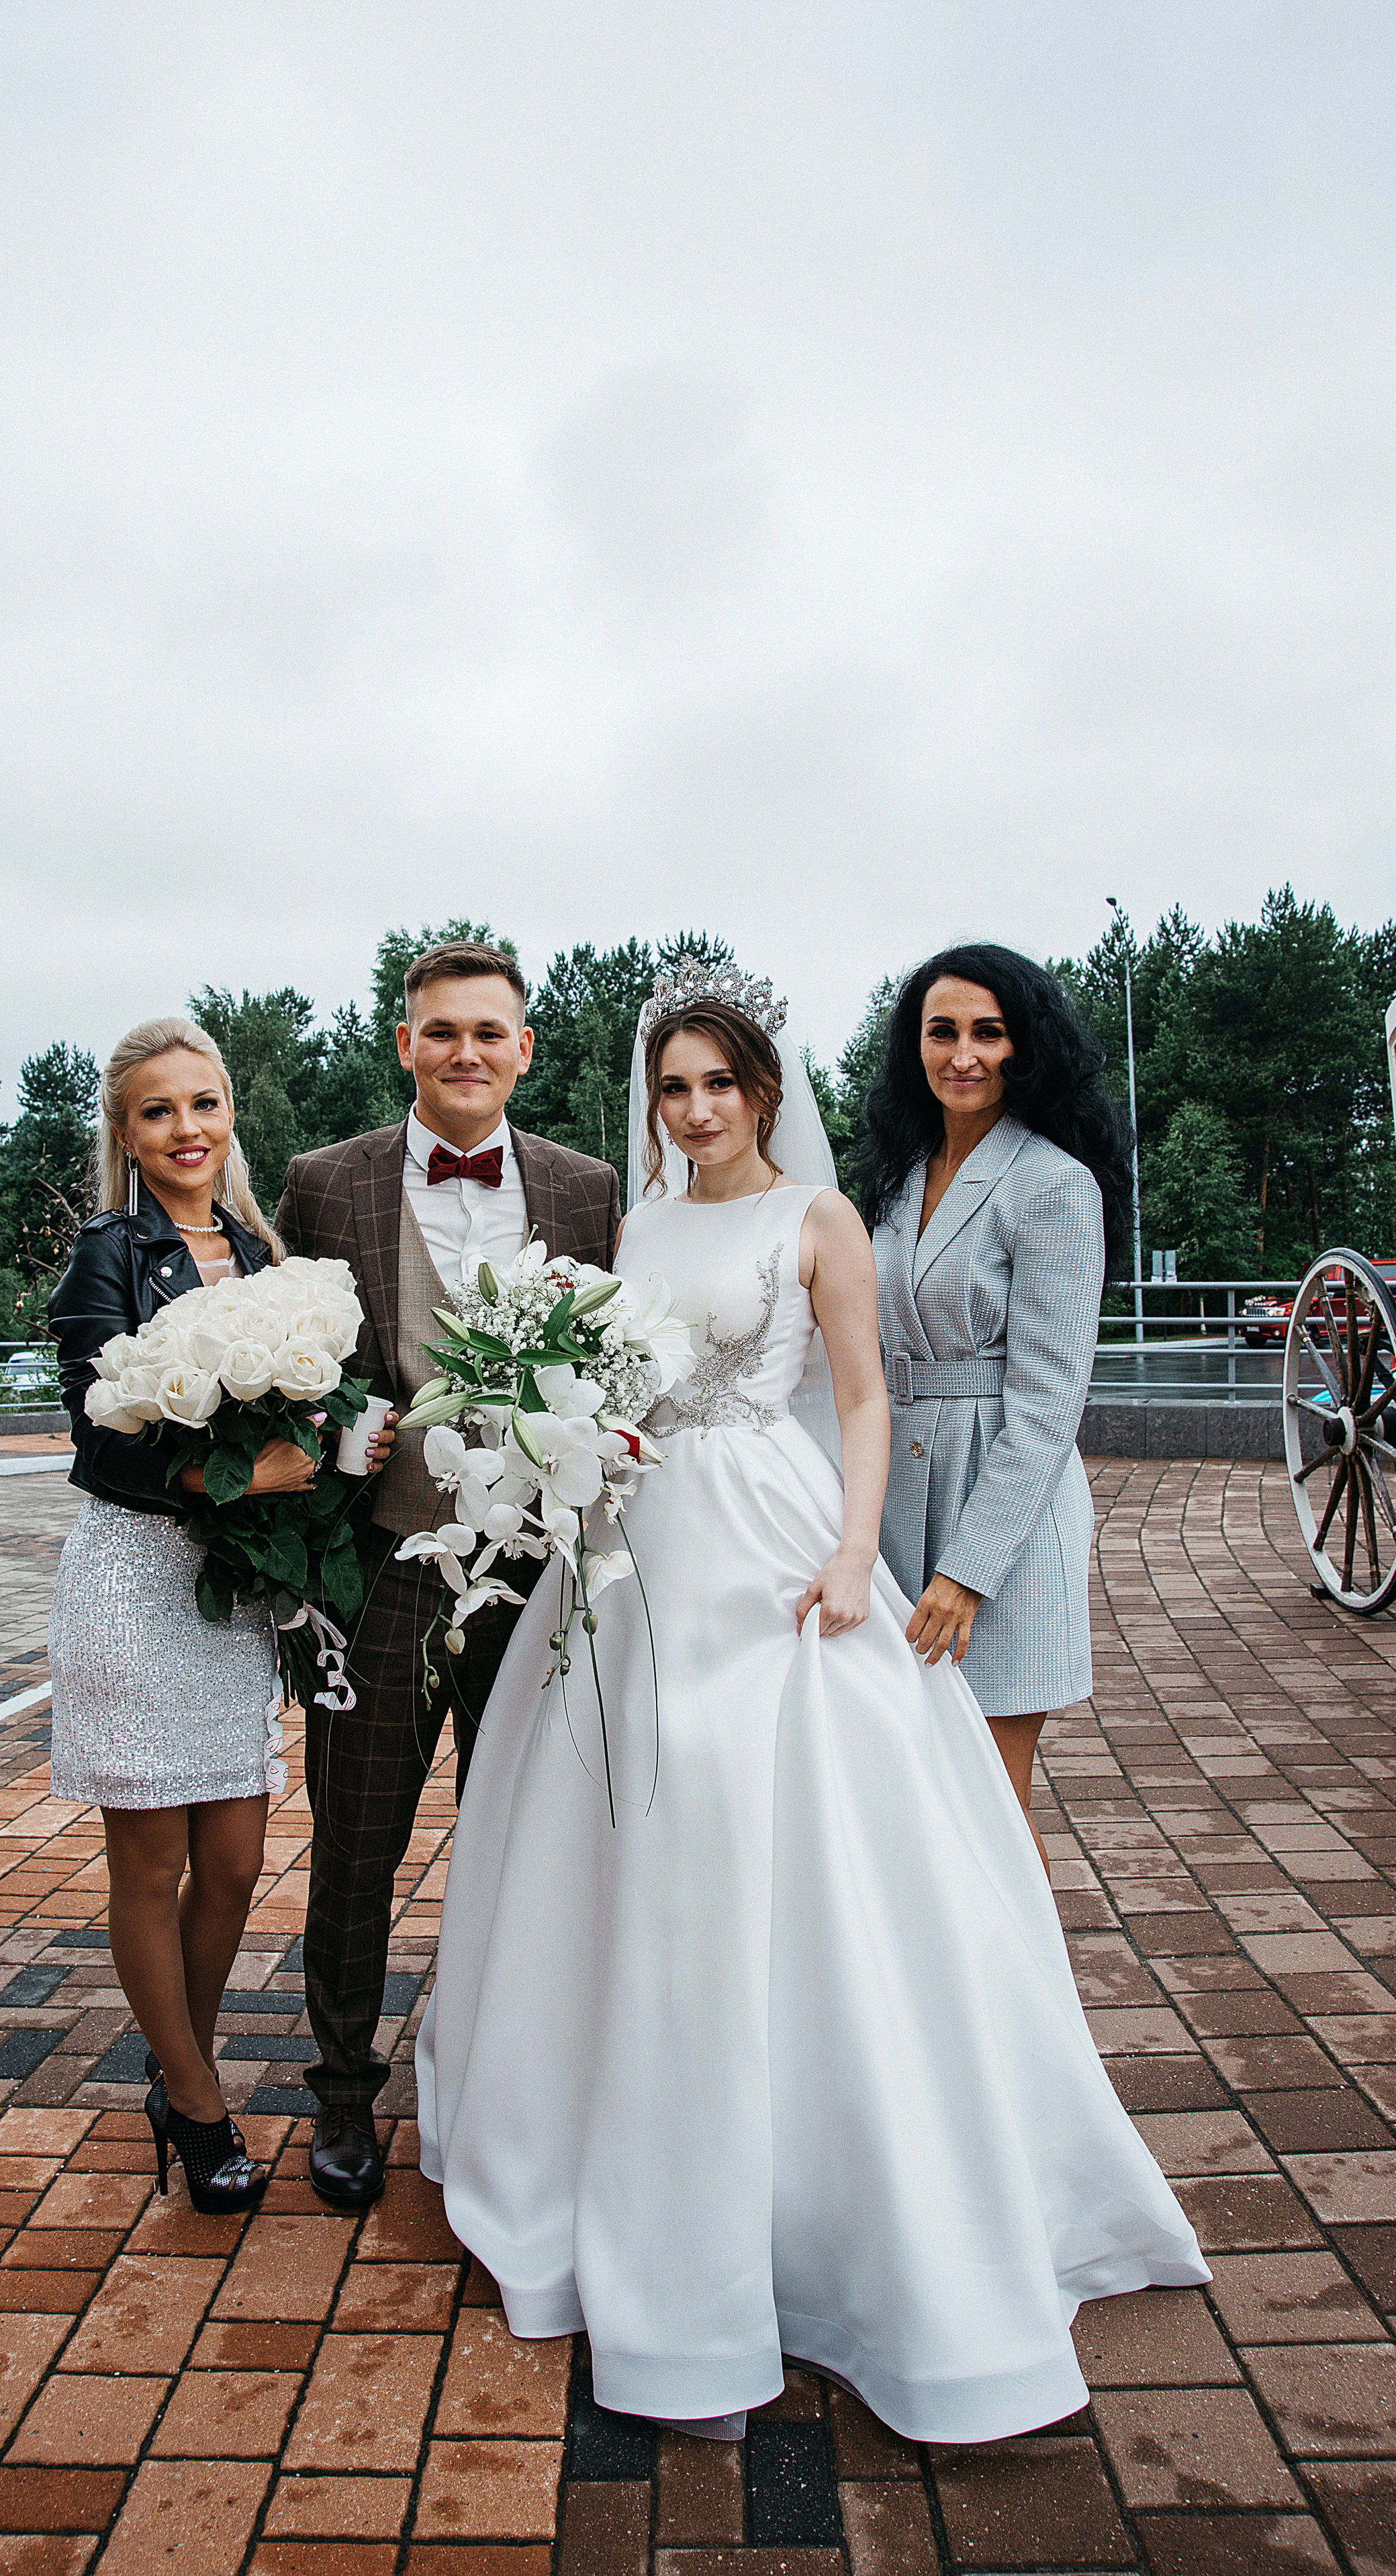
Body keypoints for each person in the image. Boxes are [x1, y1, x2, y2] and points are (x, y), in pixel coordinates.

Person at [416, 957, 1206, 2444]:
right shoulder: (636, 1222)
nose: (697, 1107)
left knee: (799, 1822)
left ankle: (834, 2178)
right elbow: (614, 1385)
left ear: (762, 1090)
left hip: (775, 1542)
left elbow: (860, 1399)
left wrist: (855, 1552)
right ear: (650, 1100)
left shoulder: (820, 1216)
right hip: (634, 1542)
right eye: (673, 1085)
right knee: (615, 1816)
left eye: (720, 1082)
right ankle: (600, 2121)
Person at [274, 938, 620, 2213]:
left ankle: (509, 2088)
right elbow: (290, 1371)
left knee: (525, 1841)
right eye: (440, 1032)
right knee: (357, 1845)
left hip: (535, 1574)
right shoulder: (323, 1185)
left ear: (526, 1049)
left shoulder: (588, 1192)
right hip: (379, 1570)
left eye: (490, 1032)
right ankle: (344, 2095)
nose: (465, 1052)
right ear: (405, 1044)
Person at [46, 1014, 387, 2215]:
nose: (185, 1130)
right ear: (125, 1133)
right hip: (138, 1577)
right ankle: (196, 2104)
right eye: (157, 1111)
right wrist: (224, 1479)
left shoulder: (263, 1247)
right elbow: (99, 1437)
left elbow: (296, 1412)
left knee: (236, 1861)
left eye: (203, 1104)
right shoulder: (107, 1253)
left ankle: (171, 2068)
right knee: (150, 1858)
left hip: (232, 1590)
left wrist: (333, 1445)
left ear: (228, 1113)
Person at [857, 946, 1131, 1873]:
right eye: (943, 1032)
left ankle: (1023, 2017)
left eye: (989, 1032)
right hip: (901, 1502)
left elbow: (1051, 1405)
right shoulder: (895, 1181)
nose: (963, 1054)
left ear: (1024, 1046)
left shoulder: (1053, 1184)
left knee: (991, 1805)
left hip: (1003, 1531)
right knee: (912, 1793)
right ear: (916, 1047)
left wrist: (971, 1571)